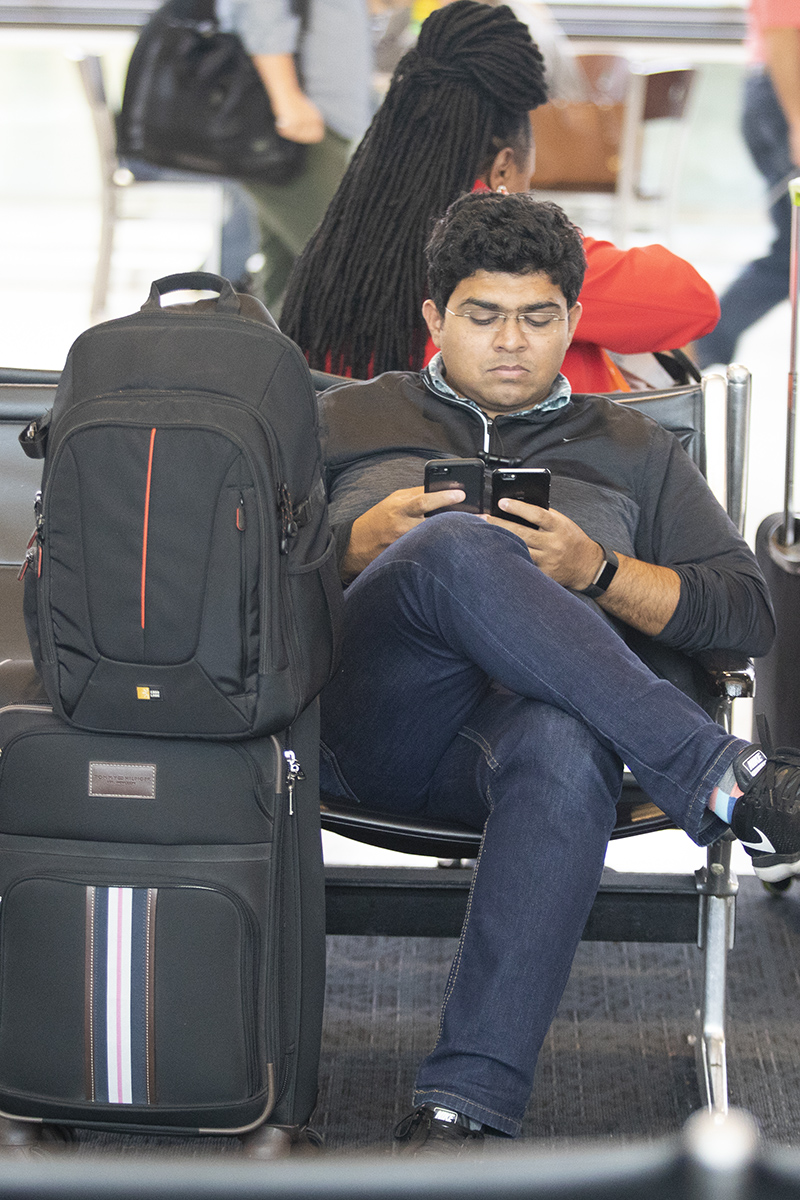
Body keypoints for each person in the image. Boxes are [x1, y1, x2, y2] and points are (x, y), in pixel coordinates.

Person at [317, 190, 800, 1152]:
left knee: (564, 736)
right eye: (482, 316)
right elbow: (236, 589)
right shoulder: (345, 420)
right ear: (433, 319)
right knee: (452, 545)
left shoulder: (634, 449)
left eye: (538, 319)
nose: (510, 343)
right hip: (372, 728)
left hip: (523, 748)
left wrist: (600, 572)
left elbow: (743, 613)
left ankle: (463, 1112)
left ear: (574, 321)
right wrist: (352, 544)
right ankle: (723, 778)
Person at [280, 0, 719, 393]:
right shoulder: (521, 256)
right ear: (503, 169)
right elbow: (693, 303)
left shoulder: (342, 242)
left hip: (370, 469)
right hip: (527, 471)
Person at [217, 0, 373, 315]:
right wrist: (286, 98)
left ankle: (269, 360)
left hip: (318, 120)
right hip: (298, 124)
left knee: (288, 273)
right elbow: (262, 10)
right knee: (351, 266)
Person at [695, 0, 800, 369]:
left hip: (779, 99)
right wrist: (798, 120)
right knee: (793, 251)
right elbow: (783, 28)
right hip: (783, 98)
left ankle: (703, 347)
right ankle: (702, 346)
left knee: (793, 252)